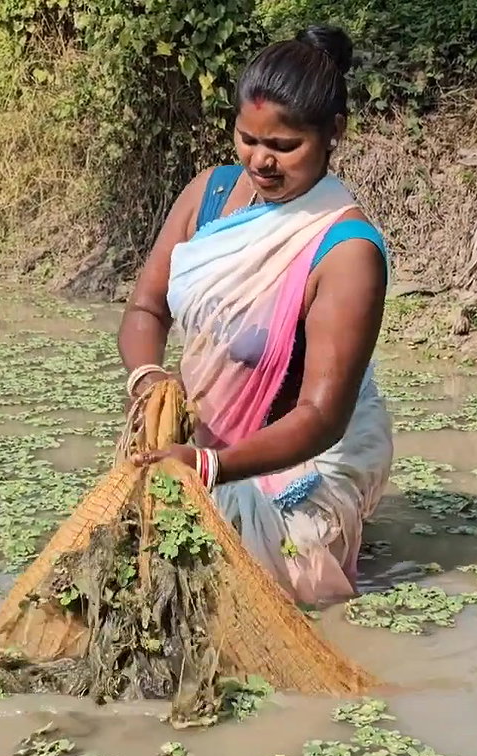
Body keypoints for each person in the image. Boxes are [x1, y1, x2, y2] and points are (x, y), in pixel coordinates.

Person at [116, 24, 393, 607]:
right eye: (247, 139)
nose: (260, 161)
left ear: (333, 134)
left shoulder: (345, 252)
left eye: (284, 147)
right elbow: (146, 307)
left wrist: (214, 468)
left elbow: (322, 416)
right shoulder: (211, 194)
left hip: (298, 462)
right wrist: (149, 379)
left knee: (239, 599)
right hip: (198, 447)